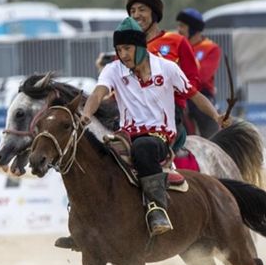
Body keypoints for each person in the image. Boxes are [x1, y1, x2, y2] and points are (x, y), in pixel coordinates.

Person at [79, 18, 227, 237]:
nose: (123, 54)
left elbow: (194, 96)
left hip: (160, 136)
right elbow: (98, 93)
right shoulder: (113, 70)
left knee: (144, 148)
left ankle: (157, 208)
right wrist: (86, 114)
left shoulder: (167, 68)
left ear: (141, 46)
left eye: (127, 48)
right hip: (125, 136)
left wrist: (216, 116)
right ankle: (85, 222)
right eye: (119, 49)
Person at [125, 0, 217, 142]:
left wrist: (176, 96)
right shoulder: (126, 46)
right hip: (134, 111)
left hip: (168, 111)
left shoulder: (177, 41)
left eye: (142, 10)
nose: (135, 15)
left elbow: (192, 78)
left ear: (154, 15)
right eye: (132, 11)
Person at [176, 8, 222, 138]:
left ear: (193, 29)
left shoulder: (211, 48)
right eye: (178, 25)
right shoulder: (177, 46)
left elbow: (201, 76)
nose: (178, 29)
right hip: (179, 92)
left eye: (182, 26)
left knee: (203, 113)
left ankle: (214, 141)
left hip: (201, 93)